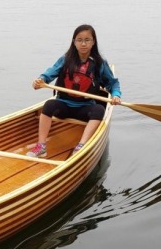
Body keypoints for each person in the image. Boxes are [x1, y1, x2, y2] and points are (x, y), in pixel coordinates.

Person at [28, 24, 122, 158]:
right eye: (79, 40)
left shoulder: (99, 63)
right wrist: (40, 80)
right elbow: (49, 73)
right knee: (49, 105)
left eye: (87, 40)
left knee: (99, 110)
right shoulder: (66, 59)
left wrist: (116, 95)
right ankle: (41, 146)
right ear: (74, 42)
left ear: (93, 42)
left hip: (85, 109)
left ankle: (81, 146)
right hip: (64, 106)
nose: (83, 44)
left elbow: (113, 84)